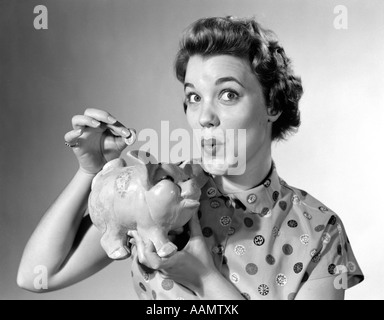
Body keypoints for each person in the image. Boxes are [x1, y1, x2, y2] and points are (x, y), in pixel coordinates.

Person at [17, 16, 364, 300]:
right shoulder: (157, 191)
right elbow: (37, 276)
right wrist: (88, 172)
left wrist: (203, 280)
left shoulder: (319, 230)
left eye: (228, 94)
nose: (204, 117)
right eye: (194, 98)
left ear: (271, 105)